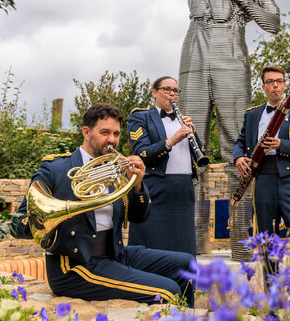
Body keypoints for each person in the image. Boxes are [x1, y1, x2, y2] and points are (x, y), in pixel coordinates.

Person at [158, 0, 280, 257]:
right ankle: (192, 249)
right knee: (190, 143)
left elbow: (272, 22)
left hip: (230, 44)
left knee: (236, 147)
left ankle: (242, 251)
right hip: (195, 40)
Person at [13, 104, 195, 305]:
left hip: (115, 253)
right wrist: (53, 220)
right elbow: (18, 224)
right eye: (105, 132)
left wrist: (137, 184)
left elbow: (139, 217)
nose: (112, 139)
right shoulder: (55, 168)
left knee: (187, 263)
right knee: (168, 291)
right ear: (86, 132)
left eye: (116, 134)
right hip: (74, 266)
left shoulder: (117, 167)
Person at [234, 66, 290, 249]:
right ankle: (270, 278)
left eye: (279, 81)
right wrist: (239, 157)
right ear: (263, 87)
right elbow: (240, 142)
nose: (275, 85)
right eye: (270, 82)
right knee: (266, 237)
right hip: (262, 179)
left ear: (285, 85)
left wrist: (282, 145)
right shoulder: (252, 114)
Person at [127, 76, 204, 256]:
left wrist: (193, 133)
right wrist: (171, 141)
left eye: (175, 91)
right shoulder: (140, 117)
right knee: (152, 244)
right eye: (167, 89)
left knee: (183, 244)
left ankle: (185, 283)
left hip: (183, 189)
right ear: (154, 92)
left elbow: (199, 153)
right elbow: (141, 153)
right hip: (156, 187)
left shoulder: (182, 120)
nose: (172, 94)